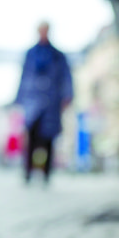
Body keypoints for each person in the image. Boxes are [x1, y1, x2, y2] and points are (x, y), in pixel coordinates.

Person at [14, 21, 73, 184]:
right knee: (31, 137)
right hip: (33, 101)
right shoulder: (30, 54)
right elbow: (23, 76)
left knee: (48, 139)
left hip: (51, 101)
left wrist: (67, 96)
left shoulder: (58, 55)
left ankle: (46, 173)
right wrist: (19, 100)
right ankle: (27, 172)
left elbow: (66, 77)